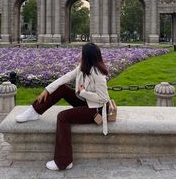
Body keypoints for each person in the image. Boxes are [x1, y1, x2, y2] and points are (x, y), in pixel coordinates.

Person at [16, 43, 110, 171]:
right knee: (61, 89)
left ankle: (64, 161)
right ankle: (34, 111)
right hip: (86, 102)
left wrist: (83, 93)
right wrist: (47, 90)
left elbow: (104, 99)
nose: (79, 55)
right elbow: (66, 77)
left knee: (62, 117)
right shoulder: (83, 67)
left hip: (96, 109)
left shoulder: (98, 74)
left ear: (87, 56)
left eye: (81, 53)